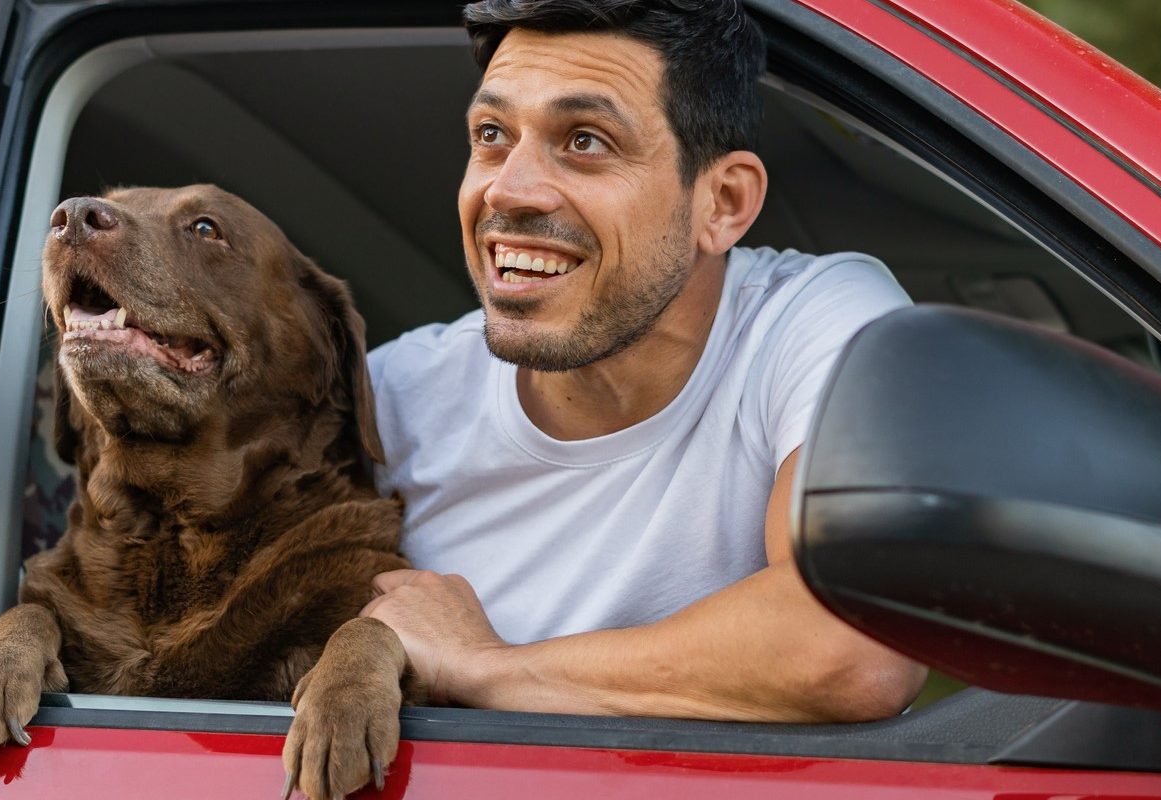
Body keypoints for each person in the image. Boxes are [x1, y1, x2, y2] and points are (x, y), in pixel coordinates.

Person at [359, 0, 927, 722]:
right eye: (493, 135)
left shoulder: (813, 318)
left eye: (586, 140)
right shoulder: (394, 399)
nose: (508, 188)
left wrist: (485, 668)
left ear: (721, 203)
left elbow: (854, 644)